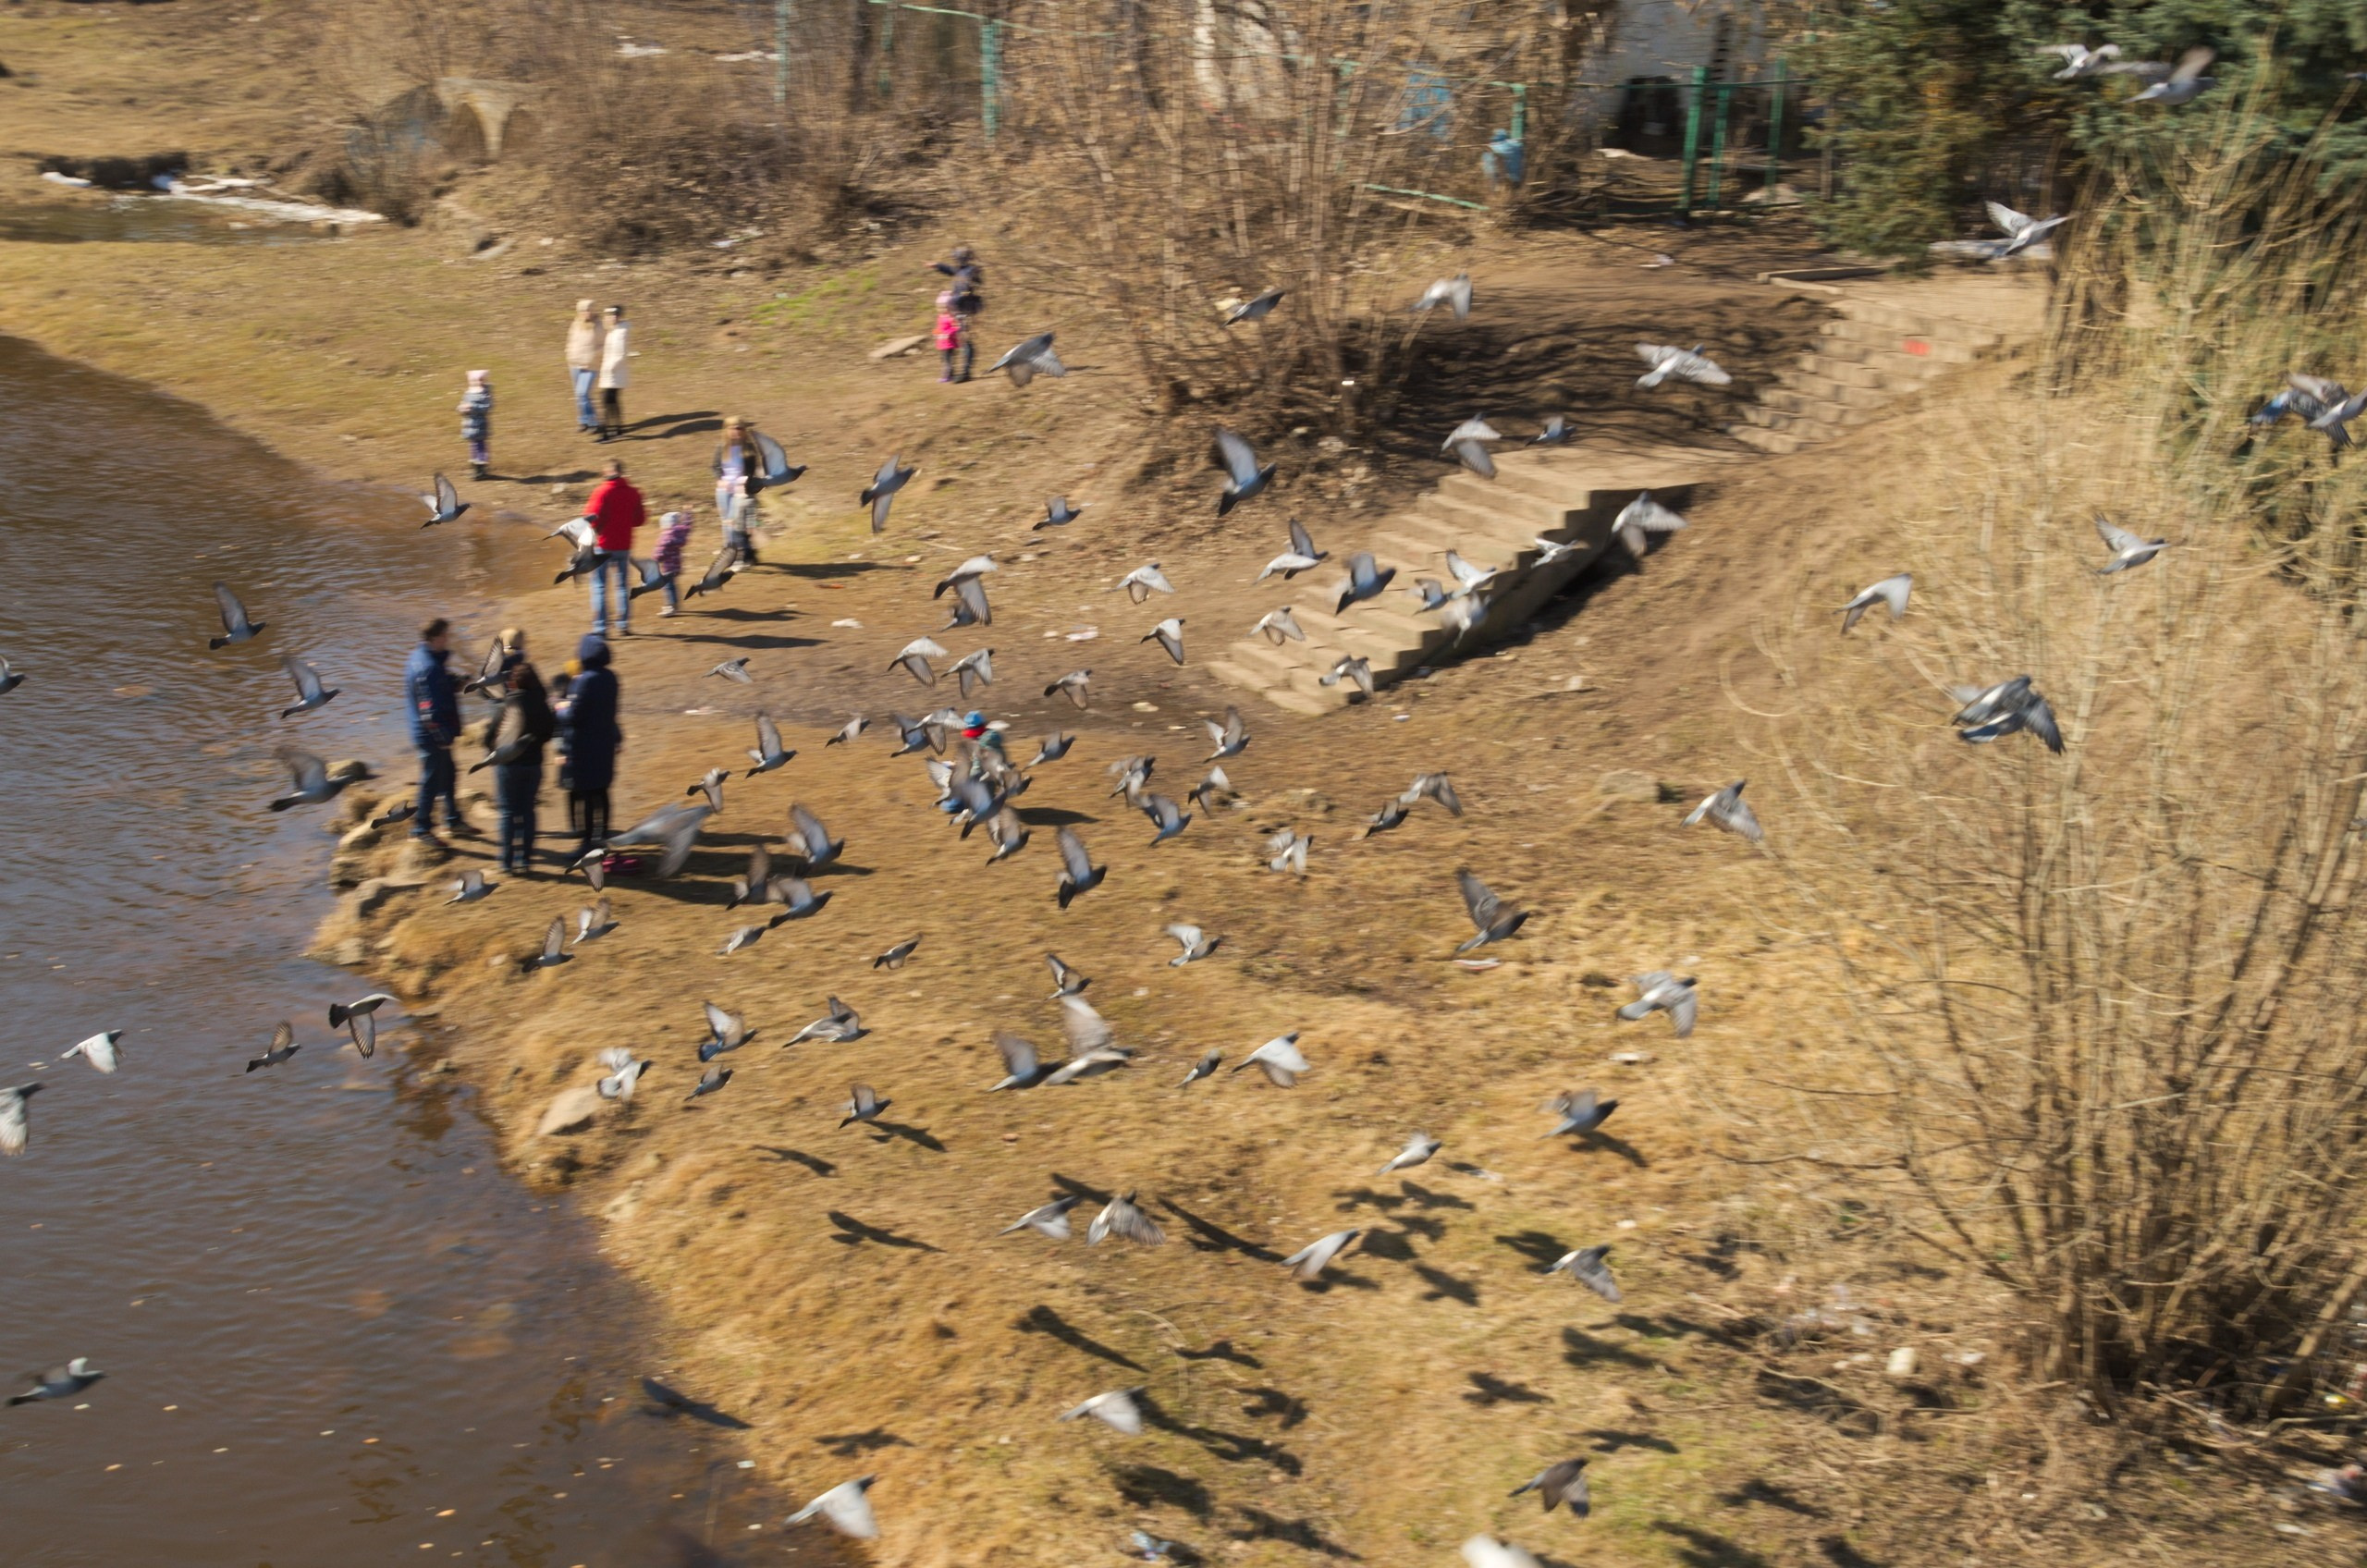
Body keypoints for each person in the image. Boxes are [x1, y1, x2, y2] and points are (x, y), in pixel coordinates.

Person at [488, 629, 556, 875]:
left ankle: (506, 863)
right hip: (533, 764)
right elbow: (550, 732)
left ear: (514, 683)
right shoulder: (543, 706)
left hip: (508, 766)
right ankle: (525, 860)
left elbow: (489, 737)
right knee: (528, 812)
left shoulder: (508, 705)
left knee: (507, 813)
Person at [557, 633, 620, 855]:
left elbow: (574, 716)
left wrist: (560, 709)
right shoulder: (611, 677)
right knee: (602, 792)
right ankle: (602, 836)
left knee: (585, 794)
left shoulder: (584, 681)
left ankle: (586, 844)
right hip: (605, 742)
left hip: (584, 747)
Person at [403, 618, 467, 844]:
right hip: (431, 735)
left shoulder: (421, 658)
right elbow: (428, 710)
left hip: (434, 732)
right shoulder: (427, 667)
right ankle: (421, 828)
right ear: (436, 637)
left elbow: (436, 687)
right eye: (445, 635)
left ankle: (452, 820)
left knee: (449, 773)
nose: (448, 639)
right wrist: (442, 737)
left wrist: (454, 682)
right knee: (431, 781)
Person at [583, 458, 644, 637]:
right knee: (622, 586)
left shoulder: (601, 491)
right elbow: (639, 520)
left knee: (599, 586)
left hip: (603, 545)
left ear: (606, 472)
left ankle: (600, 628)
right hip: (624, 545)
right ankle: (623, 624)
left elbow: (592, 519)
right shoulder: (633, 492)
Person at [930, 247, 983, 381]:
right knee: (955, 339)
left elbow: (976, 283)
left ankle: (966, 372)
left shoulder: (972, 270)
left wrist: (964, 293)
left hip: (966, 309)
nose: (956, 260)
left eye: (958, 257)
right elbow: (949, 269)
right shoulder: (961, 270)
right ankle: (952, 371)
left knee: (965, 339)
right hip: (957, 309)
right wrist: (937, 265)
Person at [712, 418, 759, 564]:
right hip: (724, 489)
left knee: (739, 522)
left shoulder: (748, 448)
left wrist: (744, 481)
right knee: (727, 521)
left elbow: (752, 469)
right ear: (726, 430)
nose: (736, 431)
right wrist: (720, 479)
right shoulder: (722, 447)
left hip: (741, 490)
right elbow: (715, 466)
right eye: (733, 428)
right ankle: (729, 549)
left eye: (740, 428)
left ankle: (745, 552)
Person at [565, 300, 604, 435]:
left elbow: (603, 346)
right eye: (583, 310)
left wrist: (592, 359)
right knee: (579, 395)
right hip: (574, 364)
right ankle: (583, 421)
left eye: (589, 310)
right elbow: (570, 341)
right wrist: (569, 354)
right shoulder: (575, 324)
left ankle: (594, 422)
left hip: (590, 366)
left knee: (583, 393)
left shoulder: (599, 326)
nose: (586, 313)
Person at [595, 302, 630, 440]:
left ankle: (605, 433)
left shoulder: (620, 332)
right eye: (610, 315)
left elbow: (620, 354)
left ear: (620, 316)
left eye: (616, 315)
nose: (613, 317)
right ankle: (618, 428)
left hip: (613, 372)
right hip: (613, 372)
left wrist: (609, 368)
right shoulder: (613, 330)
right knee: (612, 401)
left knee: (606, 401)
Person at [654, 507, 694, 617]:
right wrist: (688, 514)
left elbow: (661, 550)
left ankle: (671, 607)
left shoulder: (666, 536)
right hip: (676, 565)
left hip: (667, 567)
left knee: (668, 587)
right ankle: (674, 605)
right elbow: (687, 526)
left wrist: (655, 559)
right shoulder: (679, 533)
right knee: (672, 585)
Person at [457, 369, 494, 482]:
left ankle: (481, 470)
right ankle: (476, 469)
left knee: (480, 445)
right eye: (474, 380)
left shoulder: (485, 393)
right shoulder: (468, 393)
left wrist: (472, 407)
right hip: (469, 424)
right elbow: (461, 404)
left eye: (480, 380)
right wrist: (461, 408)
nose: (478, 382)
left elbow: (487, 407)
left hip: (480, 424)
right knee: (473, 445)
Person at [933, 293, 965, 385]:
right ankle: (950, 374)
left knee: (948, 360)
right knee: (943, 359)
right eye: (940, 307)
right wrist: (936, 332)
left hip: (949, 343)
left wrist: (949, 333)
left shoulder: (951, 317)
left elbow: (957, 327)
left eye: (944, 307)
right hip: (941, 342)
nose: (942, 309)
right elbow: (940, 328)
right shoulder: (940, 317)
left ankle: (946, 376)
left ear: (949, 307)